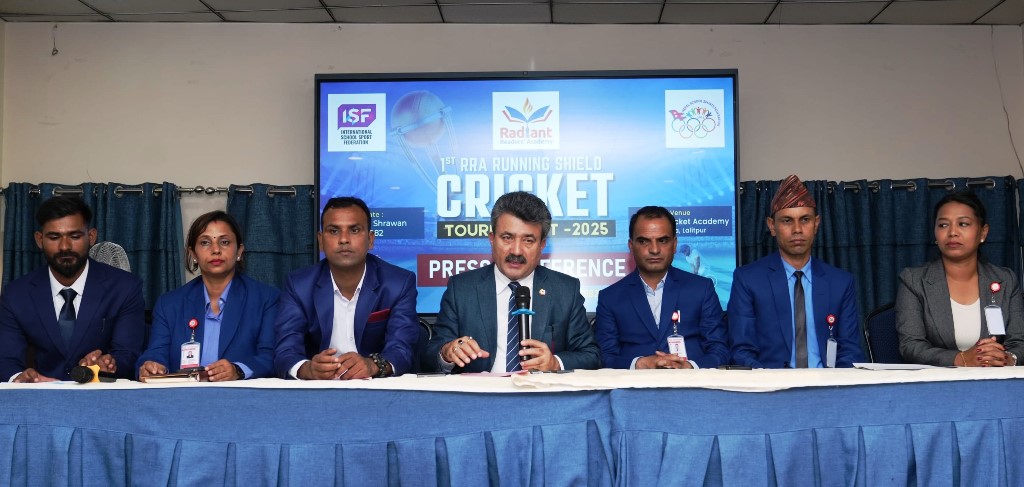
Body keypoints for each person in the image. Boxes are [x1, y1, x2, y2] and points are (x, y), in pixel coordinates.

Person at [425, 191, 600, 373]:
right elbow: (429, 356)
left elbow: (591, 356)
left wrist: (554, 363)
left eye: (528, 240)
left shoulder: (565, 290)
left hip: (540, 390)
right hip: (482, 390)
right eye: (507, 238)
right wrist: (447, 352)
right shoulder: (461, 289)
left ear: (541, 245)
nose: (516, 251)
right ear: (492, 239)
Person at [0, 195, 145, 382]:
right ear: (39, 239)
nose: (65, 247)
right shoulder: (16, 294)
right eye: (54, 237)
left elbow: (128, 354)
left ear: (91, 237)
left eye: (75, 236)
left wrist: (108, 365)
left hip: (101, 394)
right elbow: (6, 358)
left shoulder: (125, 287)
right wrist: (19, 379)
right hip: (41, 395)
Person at [274, 196, 419, 379]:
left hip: (376, 387)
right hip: (319, 388)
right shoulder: (298, 285)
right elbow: (285, 351)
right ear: (321, 240)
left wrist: (373, 365)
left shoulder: (399, 283)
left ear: (370, 239)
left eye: (354, 230)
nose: (343, 239)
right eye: (334, 231)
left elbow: (402, 349)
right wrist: (308, 369)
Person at [728, 175, 863, 368]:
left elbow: (850, 351)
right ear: (772, 226)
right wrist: (770, 382)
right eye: (787, 221)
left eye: (805, 219)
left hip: (828, 383)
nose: (797, 229)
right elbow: (741, 352)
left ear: (816, 224)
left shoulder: (841, 282)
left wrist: (834, 383)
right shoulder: (748, 280)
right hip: (770, 383)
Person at [137, 211, 279, 381]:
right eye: (205, 242)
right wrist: (151, 366)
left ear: (239, 251)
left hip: (240, 394)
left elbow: (271, 358)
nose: (216, 250)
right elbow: (155, 352)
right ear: (193, 254)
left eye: (224, 242)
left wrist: (238, 370)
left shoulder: (266, 299)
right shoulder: (169, 304)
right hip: (182, 394)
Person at [895, 192, 1022, 366]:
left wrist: (1008, 358)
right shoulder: (913, 280)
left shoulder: (1006, 280)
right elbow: (911, 346)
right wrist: (960, 359)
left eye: (963, 224)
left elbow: (1019, 342)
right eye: (943, 225)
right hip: (940, 379)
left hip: (995, 376)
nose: (952, 232)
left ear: (983, 232)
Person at [595, 206, 729, 369]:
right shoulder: (610, 297)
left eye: (663, 240)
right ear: (631, 245)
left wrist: (689, 367)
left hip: (692, 383)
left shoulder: (701, 289)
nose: (654, 250)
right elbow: (604, 357)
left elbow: (720, 350)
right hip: (634, 384)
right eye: (644, 241)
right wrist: (639, 364)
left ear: (675, 244)